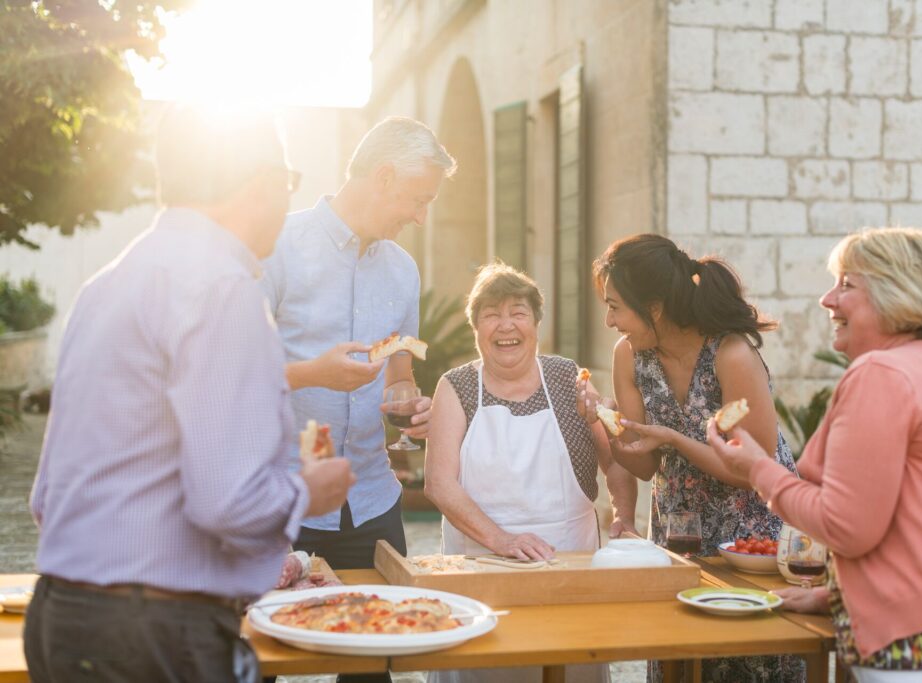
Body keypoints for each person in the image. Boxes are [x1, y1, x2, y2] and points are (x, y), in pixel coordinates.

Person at [24, 105, 353, 683]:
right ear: (261, 185)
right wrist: (307, 490)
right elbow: (227, 502)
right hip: (155, 632)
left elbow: (46, 497)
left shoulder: (104, 287)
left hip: (61, 616)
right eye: (288, 183)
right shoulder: (222, 288)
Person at [708, 227, 922, 682]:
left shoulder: (882, 372)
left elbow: (846, 526)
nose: (827, 300)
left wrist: (757, 467)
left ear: (896, 295)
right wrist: (843, 594)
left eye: (846, 285)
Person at [588, 233, 803, 683]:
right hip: (679, 535)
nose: (608, 320)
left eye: (615, 306)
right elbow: (644, 465)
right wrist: (601, 424)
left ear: (655, 307)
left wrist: (676, 439)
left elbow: (758, 471)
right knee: (681, 661)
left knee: (752, 660)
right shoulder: (629, 356)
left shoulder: (731, 353)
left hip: (750, 539)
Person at [261, 116, 456, 579]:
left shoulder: (404, 270)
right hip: (286, 500)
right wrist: (313, 374)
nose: (420, 217)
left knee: (387, 637)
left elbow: (400, 374)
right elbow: (231, 374)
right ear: (383, 176)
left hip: (373, 502)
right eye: (418, 200)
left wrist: (410, 404)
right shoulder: (276, 247)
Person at [425, 262, 638, 683]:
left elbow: (614, 458)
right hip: (481, 574)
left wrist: (624, 517)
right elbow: (439, 484)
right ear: (476, 328)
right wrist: (502, 540)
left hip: (569, 575)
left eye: (518, 312)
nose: (506, 325)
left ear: (537, 323)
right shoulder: (456, 387)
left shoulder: (566, 377)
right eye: (491, 314)